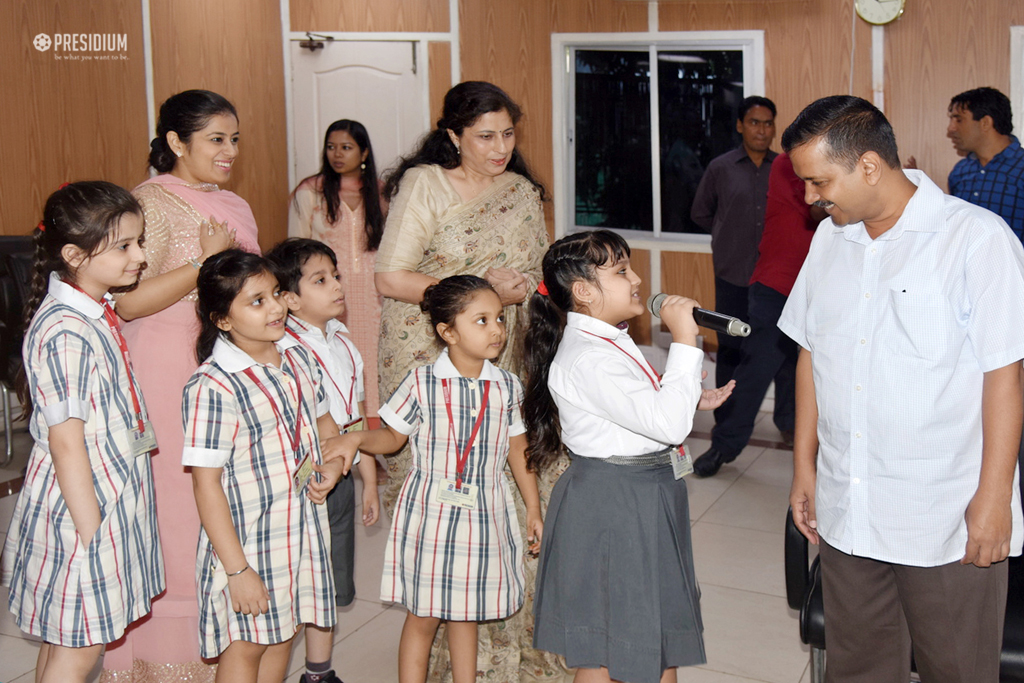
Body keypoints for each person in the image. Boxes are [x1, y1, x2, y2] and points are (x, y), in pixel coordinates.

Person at [781, 95, 1024, 682]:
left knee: (957, 669)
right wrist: (804, 467)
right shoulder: (829, 242)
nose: (810, 198)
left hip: (943, 516)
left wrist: (994, 502)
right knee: (858, 668)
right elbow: (811, 354)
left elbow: (1005, 375)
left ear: (868, 166)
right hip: (849, 508)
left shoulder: (975, 240)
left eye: (819, 182)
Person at [375, 80, 560, 681]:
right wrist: (479, 289)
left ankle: (508, 651)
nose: (500, 146)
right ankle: (438, 646)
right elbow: (390, 277)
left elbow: (539, 276)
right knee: (442, 504)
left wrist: (522, 295)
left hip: (508, 353)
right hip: (433, 348)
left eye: (508, 134)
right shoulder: (426, 184)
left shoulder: (521, 194)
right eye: (485, 136)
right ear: (453, 136)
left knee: (507, 484)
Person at [523, 229, 735, 683]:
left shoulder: (607, 342)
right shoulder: (587, 356)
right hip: (615, 503)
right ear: (583, 291)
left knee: (636, 640)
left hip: (639, 493)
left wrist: (684, 397)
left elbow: (637, 409)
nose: (636, 278)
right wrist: (684, 340)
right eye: (621, 271)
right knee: (615, 645)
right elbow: (667, 426)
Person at [104, 89, 258, 682]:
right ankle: (163, 656)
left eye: (234, 139)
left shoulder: (235, 204)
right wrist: (204, 265)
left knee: (221, 497)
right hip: (167, 365)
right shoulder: (148, 203)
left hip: (226, 366)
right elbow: (128, 301)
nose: (229, 151)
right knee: (176, 503)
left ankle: (225, 635)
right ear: (175, 142)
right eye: (216, 139)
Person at [325, 275, 543, 683]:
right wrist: (356, 438)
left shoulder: (507, 387)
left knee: (466, 613)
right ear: (448, 332)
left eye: (499, 318)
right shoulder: (422, 383)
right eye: (481, 320)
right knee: (424, 615)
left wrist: (532, 506)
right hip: (432, 513)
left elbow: (518, 450)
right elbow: (391, 438)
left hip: (484, 511)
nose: (496, 329)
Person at [2, 182, 164, 682]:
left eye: (139, 241)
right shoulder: (66, 330)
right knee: (80, 651)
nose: (140, 255)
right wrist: (94, 538)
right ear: (73, 254)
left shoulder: (94, 311)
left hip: (105, 497)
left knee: (64, 641)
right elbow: (66, 441)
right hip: (84, 515)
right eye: (124, 246)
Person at [182, 250, 348, 682]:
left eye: (275, 293)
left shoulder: (297, 359)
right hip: (249, 543)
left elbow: (322, 430)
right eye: (256, 301)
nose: (275, 307)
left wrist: (329, 467)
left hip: (300, 530)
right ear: (222, 319)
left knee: (282, 636)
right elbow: (206, 485)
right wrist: (238, 571)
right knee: (247, 646)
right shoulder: (214, 385)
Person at [265, 237, 381, 683]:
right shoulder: (286, 349)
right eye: (321, 280)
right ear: (289, 299)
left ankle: (318, 672)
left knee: (327, 584)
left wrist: (367, 479)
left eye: (335, 275)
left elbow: (354, 419)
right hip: (302, 487)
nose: (337, 285)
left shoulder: (343, 342)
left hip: (341, 481)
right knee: (297, 587)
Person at [692, 153, 825, 477]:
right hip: (775, 284)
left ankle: (794, 429)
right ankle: (723, 446)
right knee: (756, 367)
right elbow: (818, 209)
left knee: (802, 366)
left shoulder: (826, 171)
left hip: (816, 284)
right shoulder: (788, 165)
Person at [691, 96, 778, 428]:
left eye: (767, 123)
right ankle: (725, 418)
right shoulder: (721, 167)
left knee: (777, 349)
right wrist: (728, 231)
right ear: (741, 125)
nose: (761, 129)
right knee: (730, 347)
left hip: (772, 278)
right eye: (754, 122)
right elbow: (700, 212)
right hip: (731, 273)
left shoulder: (784, 168)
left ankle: (783, 421)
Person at [290, 119, 387, 417]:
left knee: (373, 363)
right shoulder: (310, 191)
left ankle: (374, 447)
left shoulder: (383, 193)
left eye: (346, 147)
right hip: (329, 294)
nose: (337, 154)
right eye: (331, 147)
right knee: (336, 364)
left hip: (375, 297)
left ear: (364, 153)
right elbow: (295, 249)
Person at [946, 87, 1024, 244]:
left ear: (985, 122)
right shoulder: (960, 171)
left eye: (959, 119)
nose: (950, 129)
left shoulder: (1021, 168)